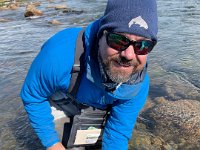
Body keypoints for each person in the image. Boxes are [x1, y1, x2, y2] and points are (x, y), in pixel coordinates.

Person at [20, 0, 158, 149]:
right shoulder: (59, 55)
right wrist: (52, 144)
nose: (129, 55)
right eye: (118, 40)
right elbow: (33, 97)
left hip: (101, 101)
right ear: (101, 36)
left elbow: (118, 134)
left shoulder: (138, 83)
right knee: (64, 140)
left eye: (143, 46)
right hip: (65, 94)